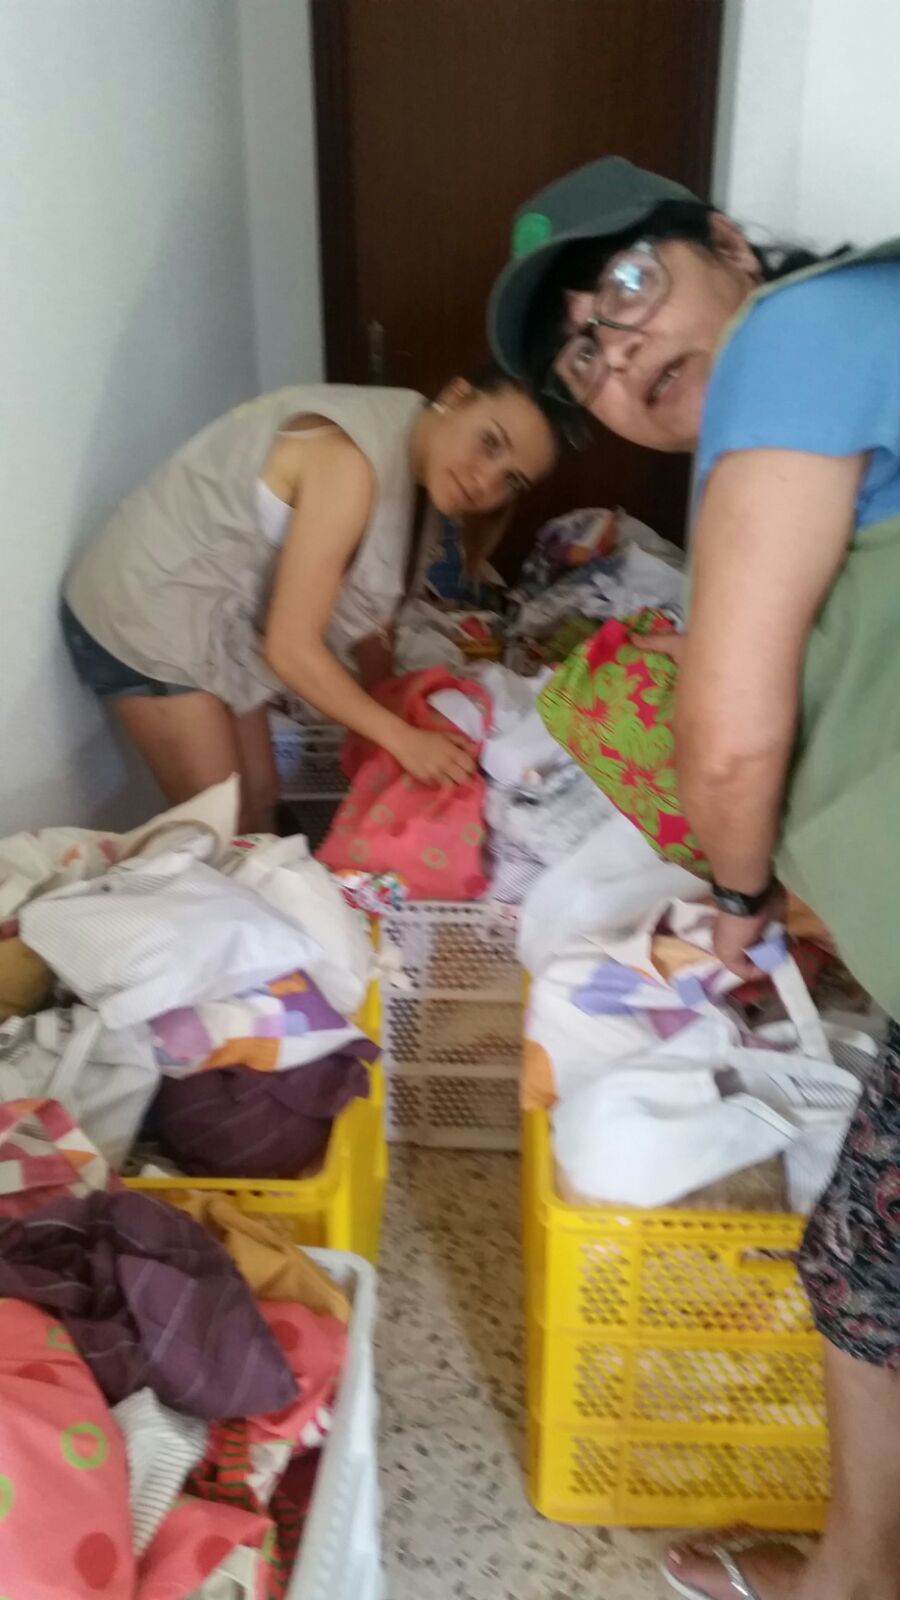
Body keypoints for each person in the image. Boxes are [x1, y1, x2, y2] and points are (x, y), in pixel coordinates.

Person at [490, 156, 900, 1600]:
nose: (614, 353)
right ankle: (855, 1570)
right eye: (578, 362)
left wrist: (737, 899)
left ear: (726, 242)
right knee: (866, 1258)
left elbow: (727, 741)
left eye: (626, 285)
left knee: (866, 1263)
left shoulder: (799, 333)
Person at [63, 368, 559, 829]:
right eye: (490, 442)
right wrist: (402, 739)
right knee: (226, 826)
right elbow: (290, 649)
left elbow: (373, 607)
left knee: (262, 792)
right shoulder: (350, 463)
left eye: (511, 479)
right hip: (147, 605)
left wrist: (387, 710)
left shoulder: (413, 447)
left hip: (218, 613)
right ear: (456, 396)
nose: (485, 481)